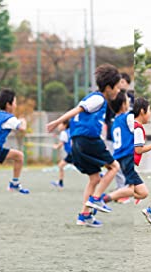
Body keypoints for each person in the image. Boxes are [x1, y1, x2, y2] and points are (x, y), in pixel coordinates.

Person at [44, 64, 127, 228]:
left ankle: (84, 216)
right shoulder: (98, 98)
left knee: (95, 178)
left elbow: (78, 110)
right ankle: (96, 199)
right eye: (117, 88)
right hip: (88, 140)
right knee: (114, 167)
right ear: (109, 87)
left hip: (78, 142)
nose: (118, 91)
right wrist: (57, 121)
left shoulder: (92, 98)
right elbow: (76, 110)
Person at [100, 97, 151, 206]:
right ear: (142, 111)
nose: (150, 114)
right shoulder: (134, 124)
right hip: (127, 158)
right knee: (138, 191)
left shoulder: (116, 121)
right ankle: (103, 198)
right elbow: (138, 149)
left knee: (142, 193)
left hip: (121, 158)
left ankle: (113, 196)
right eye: (150, 110)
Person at [50, 121, 73, 190]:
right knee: (61, 165)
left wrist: (56, 146)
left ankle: (99, 174)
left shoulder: (64, 133)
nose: (58, 126)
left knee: (85, 168)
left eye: (59, 124)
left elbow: (60, 145)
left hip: (72, 154)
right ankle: (60, 182)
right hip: (72, 153)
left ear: (65, 125)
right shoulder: (70, 131)